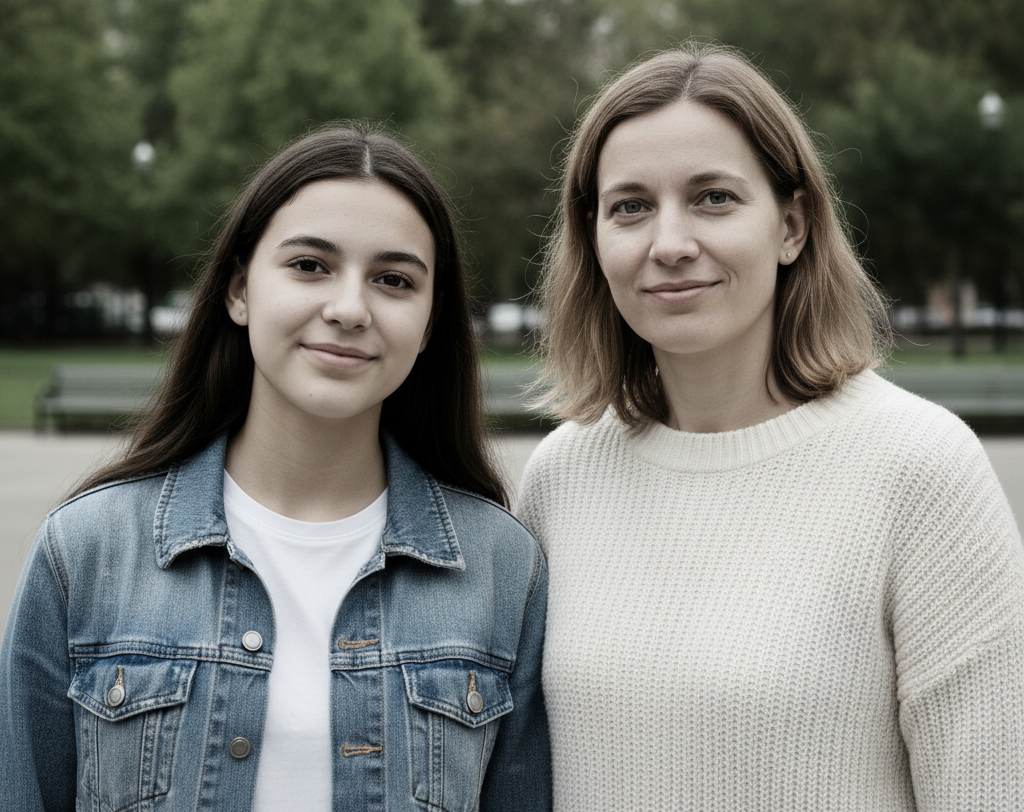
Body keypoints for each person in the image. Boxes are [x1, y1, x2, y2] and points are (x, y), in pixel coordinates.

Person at [516, 45, 1024, 811]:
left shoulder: (920, 467)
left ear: (790, 226)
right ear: (593, 239)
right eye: (630, 206)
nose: (670, 242)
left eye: (713, 198)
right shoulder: (561, 476)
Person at [1, 126, 550, 812]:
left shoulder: (503, 569)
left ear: (431, 322)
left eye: (393, 279)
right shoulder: (84, 552)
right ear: (238, 290)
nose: (349, 309)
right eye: (310, 266)